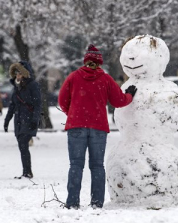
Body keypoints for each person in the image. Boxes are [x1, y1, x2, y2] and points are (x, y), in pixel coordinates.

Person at [58, 44, 138, 209]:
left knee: (75, 165)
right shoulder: (105, 79)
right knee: (97, 165)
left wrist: (73, 113)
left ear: (85, 60)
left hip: (76, 126)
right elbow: (118, 101)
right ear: (99, 62)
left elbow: (62, 100)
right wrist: (130, 95)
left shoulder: (73, 77)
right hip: (98, 128)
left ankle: (72, 202)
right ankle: (96, 202)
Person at [4, 61, 41, 179]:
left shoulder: (32, 85)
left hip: (28, 119)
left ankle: (27, 172)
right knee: (21, 145)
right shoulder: (16, 86)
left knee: (23, 144)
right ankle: (26, 171)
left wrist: (35, 120)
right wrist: (7, 119)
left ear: (25, 74)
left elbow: (37, 104)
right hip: (19, 120)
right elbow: (12, 104)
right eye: (16, 73)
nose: (18, 76)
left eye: (20, 73)